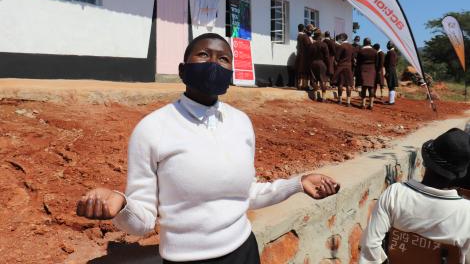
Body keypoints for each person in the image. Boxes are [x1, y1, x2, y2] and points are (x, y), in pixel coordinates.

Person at [76, 33, 340, 264]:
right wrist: (121, 204)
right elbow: (143, 221)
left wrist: (297, 184)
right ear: (182, 70)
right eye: (204, 55)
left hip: (245, 251)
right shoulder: (152, 129)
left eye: (224, 59)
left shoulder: (241, 123)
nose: (214, 63)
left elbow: (246, 194)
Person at [360, 128, 470, 264]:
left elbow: (370, 245)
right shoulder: (466, 214)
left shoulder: (395, 194)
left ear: (425, 160)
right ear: (458, 175)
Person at [332, 33, 355, 107]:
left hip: (341, 66)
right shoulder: (351, 46)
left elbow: (337, 58)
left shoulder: (341, 46)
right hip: (348, 67)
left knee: (340, 84)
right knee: (348, 85)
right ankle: (348, 102)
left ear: (342, 38)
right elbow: (352, 58)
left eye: (340, 37)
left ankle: (340, 100)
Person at [357, 38, 378, 110]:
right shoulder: (375, 52)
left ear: (364, 43)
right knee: (371, 87)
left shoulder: (361, 51)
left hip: (363, 69)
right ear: (370, 43)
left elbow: (358, 62)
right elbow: (377, 62)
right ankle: (371, 105)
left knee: (364, 87)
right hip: (372, 69)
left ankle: (363, 104)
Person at [309, 31, 329, 102]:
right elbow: (327, 57)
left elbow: (309, 56)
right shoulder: (324, 45)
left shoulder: (312, 45)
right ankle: (323, 97)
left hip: (313, 63)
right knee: (322, 80)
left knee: (314, 80)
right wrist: (328, 65)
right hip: (321, 63)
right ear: (320, 37)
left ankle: (315, 96)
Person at [295, 24, 314, 90]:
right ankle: (305, 85)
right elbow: (309, 46)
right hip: (305, 56)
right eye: (311, 30)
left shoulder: (300, 36)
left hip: (301, 55)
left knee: (301, 70)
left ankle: (300, 85)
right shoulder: (305, 36)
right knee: (305, 71)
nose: (311, 32)